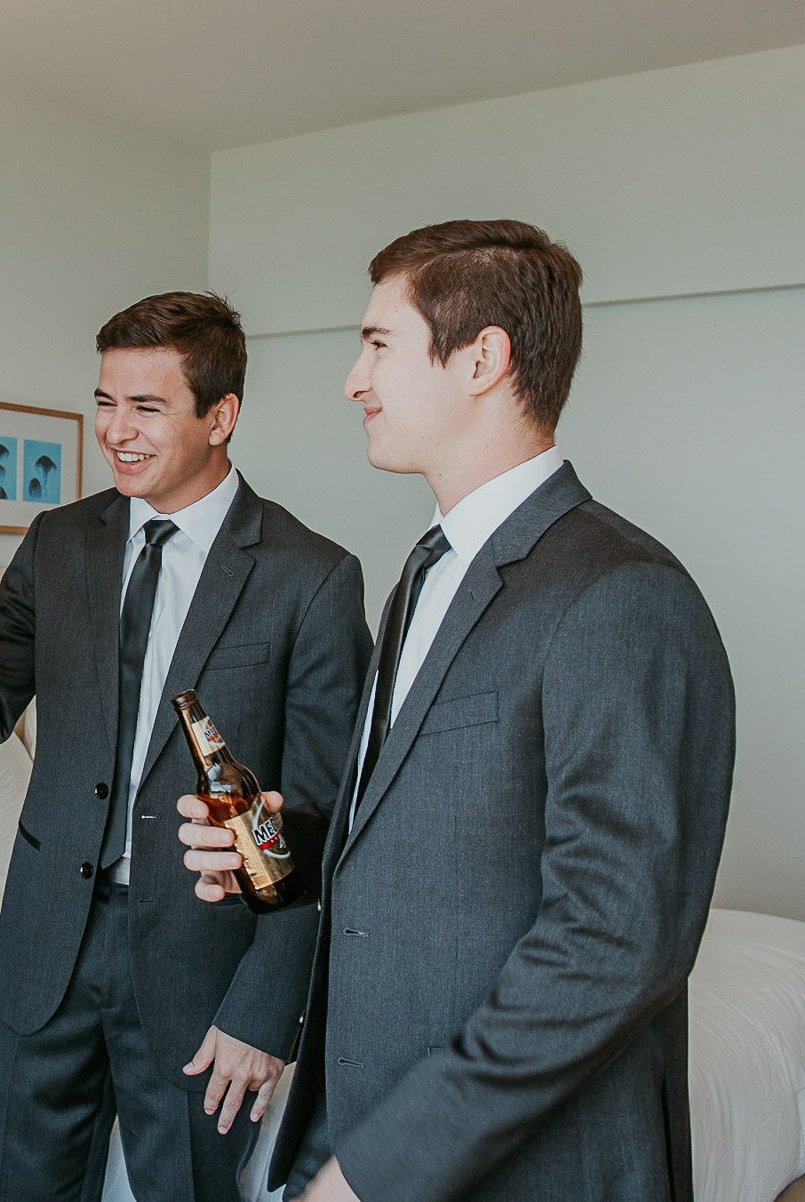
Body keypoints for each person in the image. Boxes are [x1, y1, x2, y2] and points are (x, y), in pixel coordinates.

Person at [254, 219, 735, 1202]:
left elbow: (611, 943)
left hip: (511, 1163)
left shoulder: (620, 592)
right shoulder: (421, 576)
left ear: (482, 358)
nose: (353, 378)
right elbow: (429, 830)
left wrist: (378, 1169)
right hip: (361, 1107)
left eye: (378, 344)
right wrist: (289, 841)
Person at [0, 292, 371, 1202]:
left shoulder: (312, 577)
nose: (114, 430)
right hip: (45, 952)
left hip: (204, 963)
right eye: (106, 401)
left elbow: (325, 817)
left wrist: (269, 1009)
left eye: (145, 407)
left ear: (220, 416)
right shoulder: (59, 541)